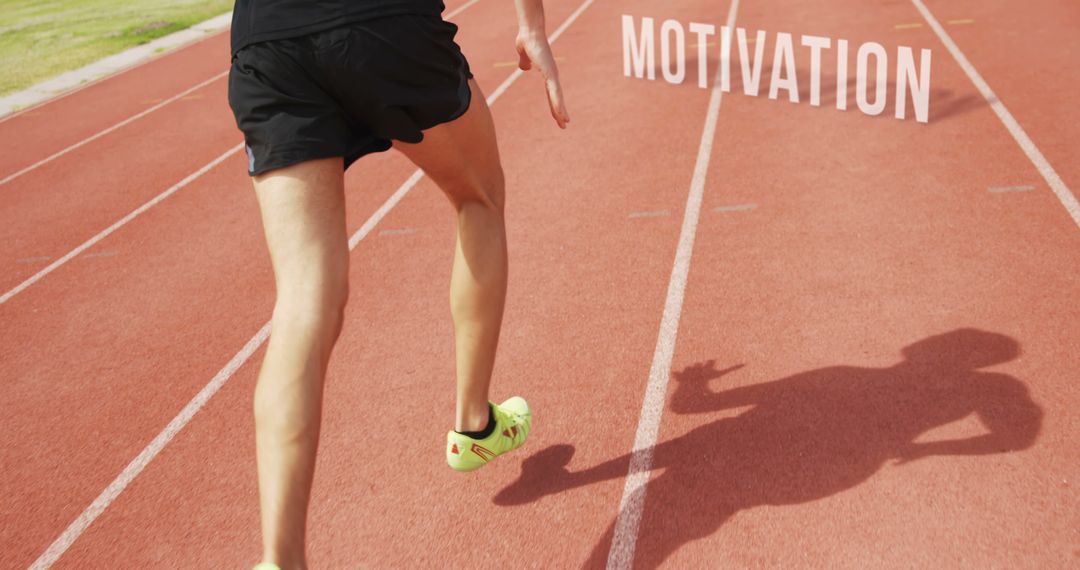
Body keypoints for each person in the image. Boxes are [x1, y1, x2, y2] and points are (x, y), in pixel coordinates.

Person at [226, 0, 569, 567]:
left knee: (305, 295)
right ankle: (473, 423)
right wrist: (531, 24)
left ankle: (279, 558)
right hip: (381, 21)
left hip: (268, 39)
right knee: (478, 197)